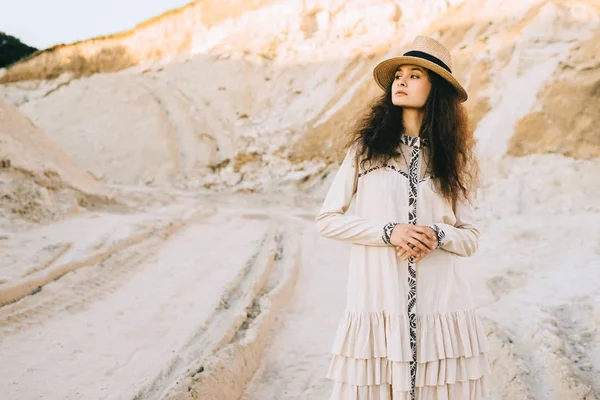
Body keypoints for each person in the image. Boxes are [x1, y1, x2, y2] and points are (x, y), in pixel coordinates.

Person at [315, 35, 491, 400]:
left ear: (435, 89)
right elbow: (327, 219)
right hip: (377, 304)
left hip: (441, 308)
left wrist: (438, 234)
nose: (401, 81)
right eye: (399, 74)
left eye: (414, 75)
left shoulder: (454, 158)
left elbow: (470, 236)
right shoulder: (365, 150)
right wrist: (387, 232)